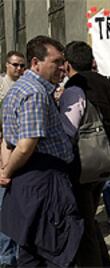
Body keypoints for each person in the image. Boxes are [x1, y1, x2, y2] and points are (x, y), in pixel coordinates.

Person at [0, 35, 83, 267]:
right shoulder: (35, 92)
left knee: (33, 249)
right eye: (56, 62)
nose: (62, 67)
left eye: (63, 61)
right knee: (52, 250)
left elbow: (7, 141)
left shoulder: (20, 89)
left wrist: (6, 170)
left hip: (33, 181)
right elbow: (25, 146)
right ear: (36, 63)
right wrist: (7, 171)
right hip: (43, 182)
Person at [59, 41, 110, 266]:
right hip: (105, 159)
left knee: (83, 222)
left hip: (82, 164)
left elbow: (68, 132)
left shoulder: (73, 89)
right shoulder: (108, 84)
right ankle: (103, 260)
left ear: (68, 64)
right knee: (89, 216)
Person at [0, 50, 25, 267]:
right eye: (15, 65)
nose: (19, 69)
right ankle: (6, 258)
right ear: (7, 65)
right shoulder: (2, 88)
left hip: (17, 153)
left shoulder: (24, 87)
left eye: (21, 65)